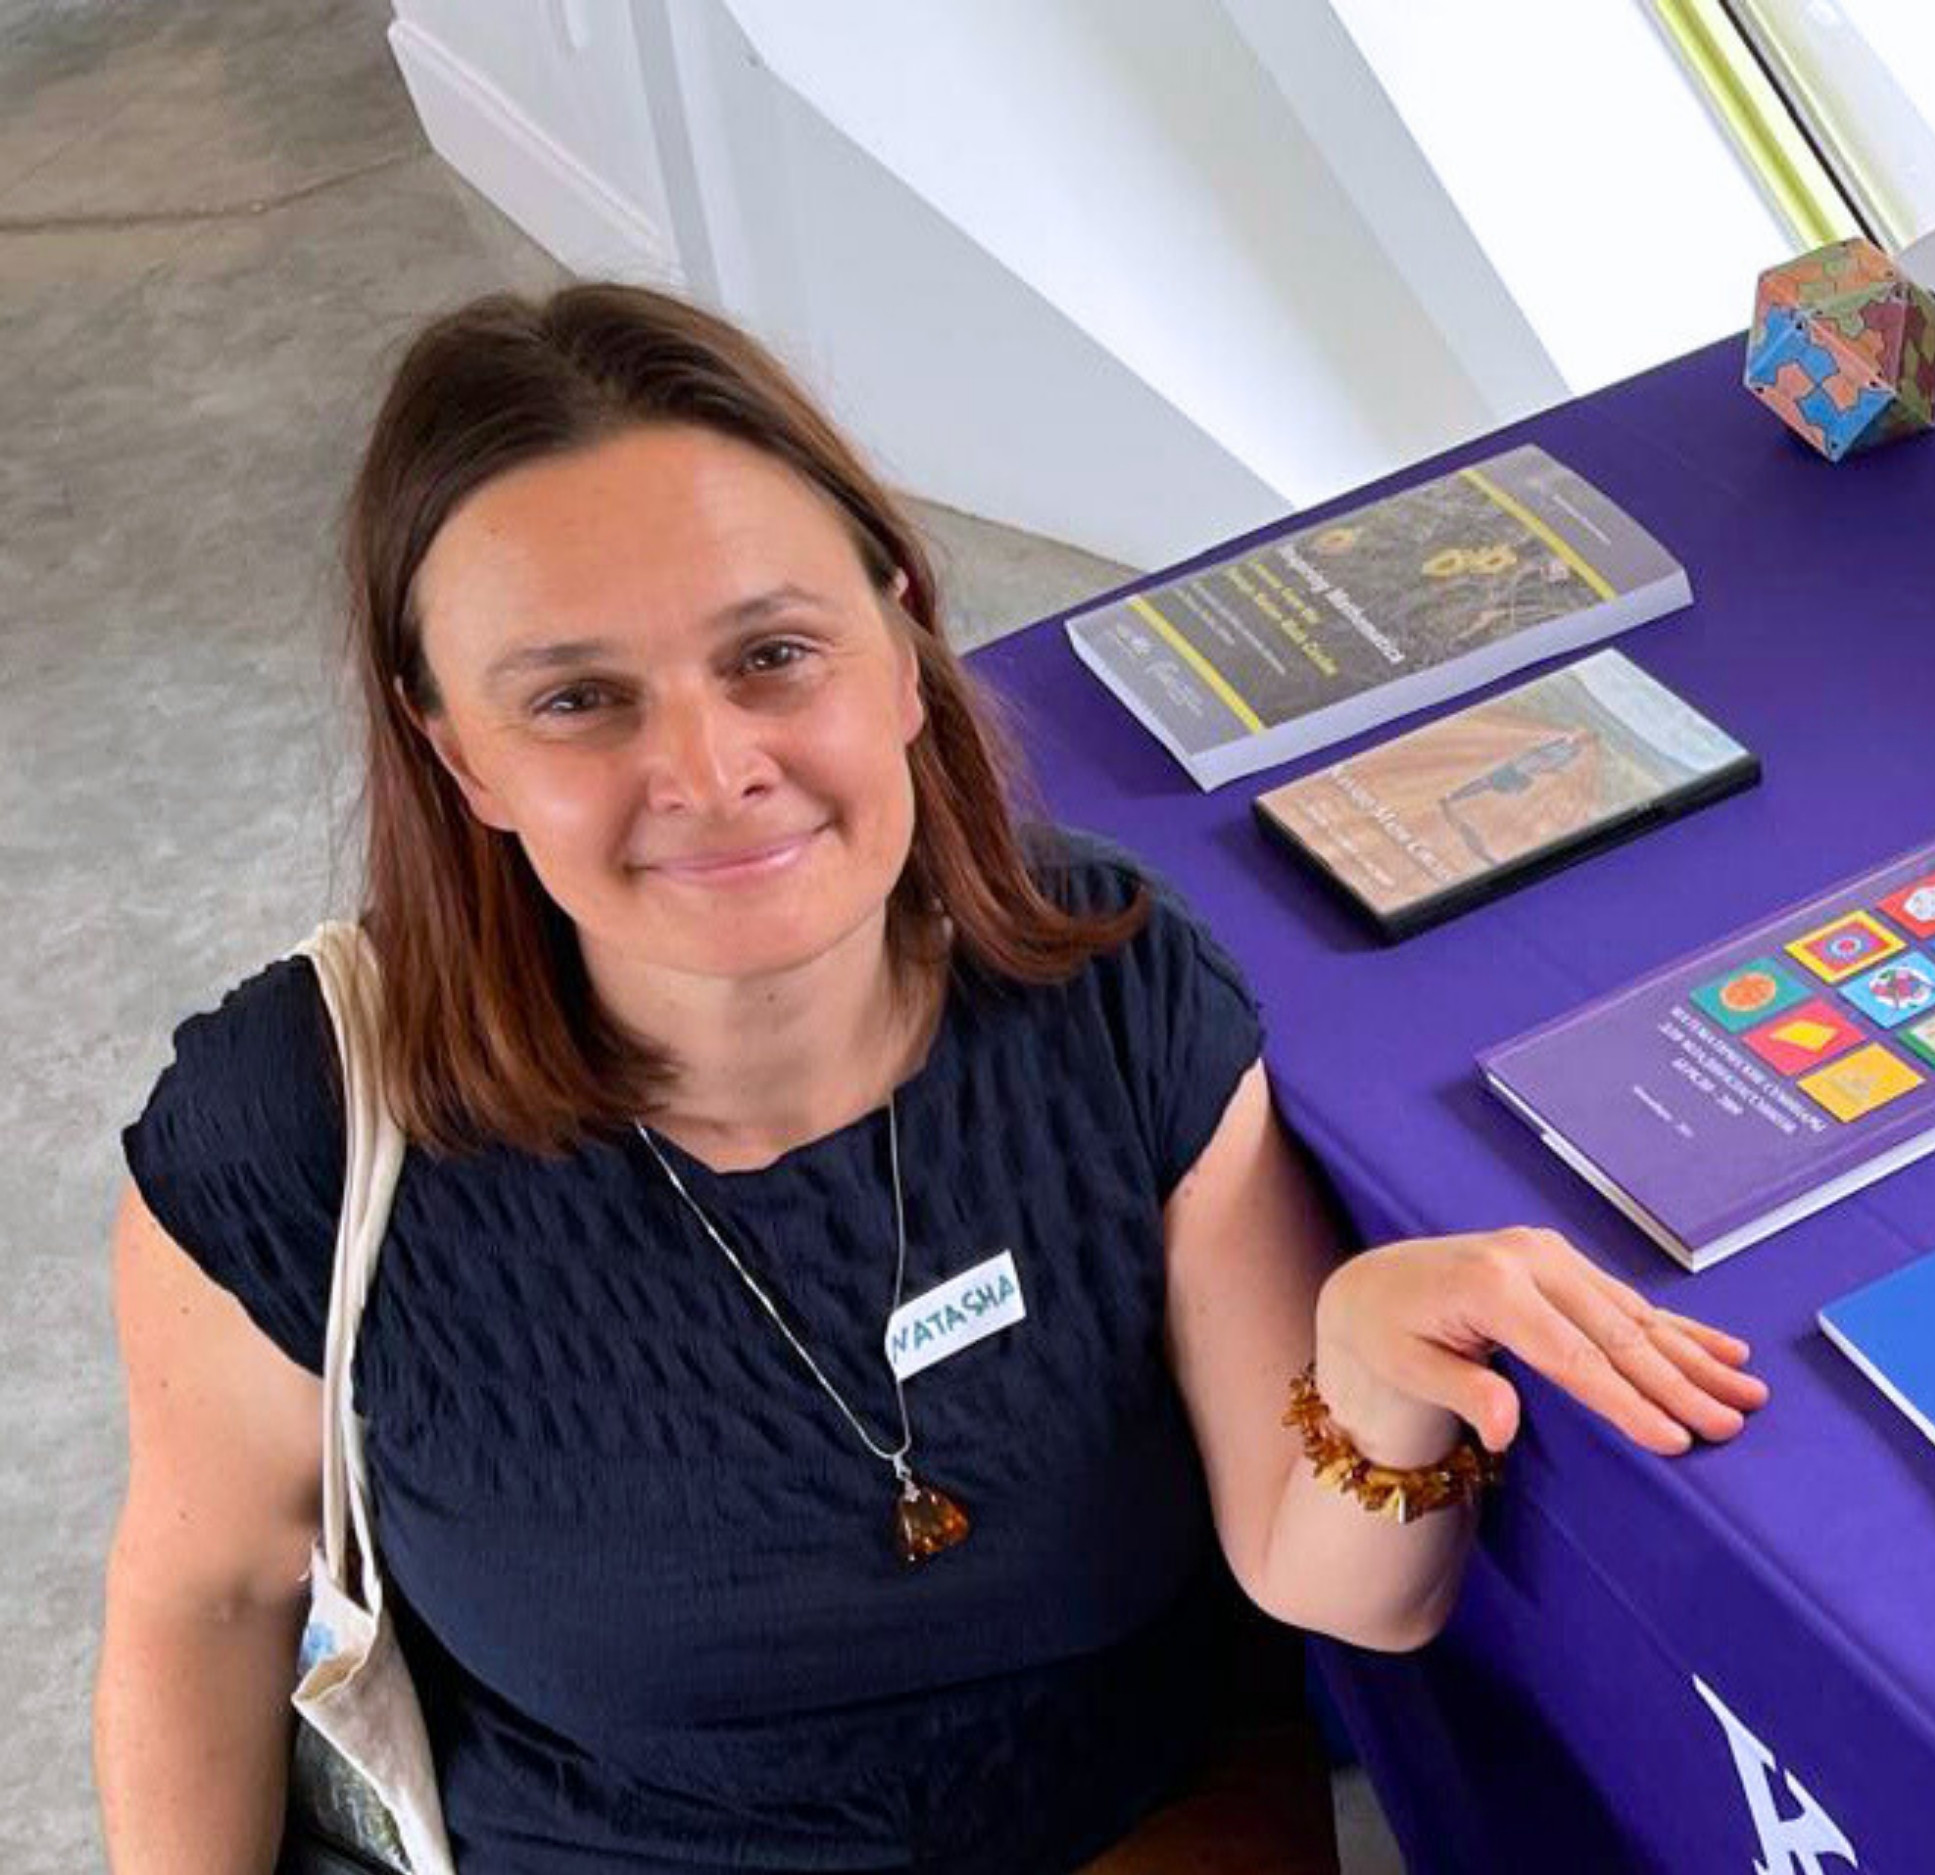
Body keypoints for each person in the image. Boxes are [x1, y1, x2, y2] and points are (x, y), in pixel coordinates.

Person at [90, 282, 1767, 1873]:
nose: (710, 769)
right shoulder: (295, 1134)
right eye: (579, 700)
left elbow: (1346, 1591)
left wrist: (1369, 1364)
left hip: (1121, 1827)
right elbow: (209, 1604)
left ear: (901, 649)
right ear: (458, 755)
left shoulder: (1109, 985)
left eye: (772, 655)